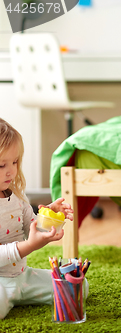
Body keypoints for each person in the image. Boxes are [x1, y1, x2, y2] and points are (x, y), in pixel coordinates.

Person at [0, 118, 74, 319]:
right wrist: (29, 246)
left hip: (24, 277)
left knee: (77, 288)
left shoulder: (16, 197)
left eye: (14, 162)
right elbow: (29, 243)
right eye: (1, 165)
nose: (11, 170)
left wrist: (50, 214)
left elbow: (32, 228)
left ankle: (17, 296)